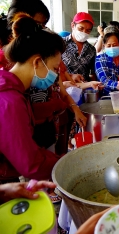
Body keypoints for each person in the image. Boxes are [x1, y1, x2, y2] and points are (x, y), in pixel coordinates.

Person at [0, 13, 64, 183]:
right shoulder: (9, 100)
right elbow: (30, 163)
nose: (56, 75)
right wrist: (66, 164)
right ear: (37, 62)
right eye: (54, 68)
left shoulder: (16, 90)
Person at [62, 12, 96, 82]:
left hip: (85, 88)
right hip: (64, 88)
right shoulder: (61, 43)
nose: (84, 32)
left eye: (88, 30)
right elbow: (53, 70)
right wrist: (69, 76)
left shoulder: (91, 49)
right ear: (72, 25)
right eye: (81, 28)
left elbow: (93, 73)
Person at [95, 26, 119, 96]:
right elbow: (103, 80)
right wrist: (117, 85)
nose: (112, 48)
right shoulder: (100, 59)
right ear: (104, 46)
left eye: (114, 45)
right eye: (109, 46)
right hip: (107, 97)